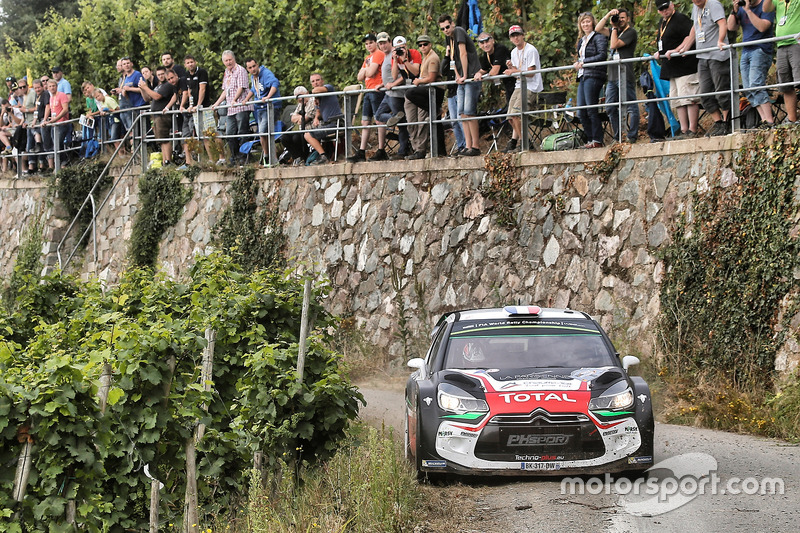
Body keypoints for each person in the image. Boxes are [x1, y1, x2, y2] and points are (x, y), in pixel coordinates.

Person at [676, 0, 731, 136]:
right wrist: (685, 47)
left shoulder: (713, 4)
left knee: (721, 91)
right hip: (702, 56)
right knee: (705, 94)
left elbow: (723, 23)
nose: (696, 1)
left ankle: (728, 122)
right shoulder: (695, 7)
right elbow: (695, 28)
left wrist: (721, 40)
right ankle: (718, 123)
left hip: (717, 54)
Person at [656, 0, 702, 137]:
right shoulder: (663, 22)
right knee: (677, 101)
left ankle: (692, 129)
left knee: (689, 98)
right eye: (661, 9)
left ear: (672, 5)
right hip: (671, 69)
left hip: (685, 66)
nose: (665, 11)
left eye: (666, 7)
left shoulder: (681, 18)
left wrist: (676, 50)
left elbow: (690, 36)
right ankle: (683, 129)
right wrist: (660, 52)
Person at [728, 0, 776, 128]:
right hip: (746, 50)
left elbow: (762, 27)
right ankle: (764, 120)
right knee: (748, 89)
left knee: (756, 84)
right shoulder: (742, 8)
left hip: (760, 49)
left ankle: (770, 121)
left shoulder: (765, 5)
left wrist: (748, 10)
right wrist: (735, 11)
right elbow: (731, 27)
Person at [439, 14, 482, 156]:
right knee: (462, 113)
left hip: (469, 77)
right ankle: (467, 146)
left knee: (469, 112)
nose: (446, 30)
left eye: (447, 26)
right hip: (461, 79)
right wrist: (457, 75)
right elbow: (453, 59)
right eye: (443, 28)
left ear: (451, 24)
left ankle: (475, 146)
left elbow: (463, 54)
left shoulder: (458, 31)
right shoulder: (449, 38)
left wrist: (464, 74)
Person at [596, 8, 640, 143]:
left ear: (627, 19)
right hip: (612, 76)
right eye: (618, 18)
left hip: (625, 74)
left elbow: (614, 44)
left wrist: (614, 28)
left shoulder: (630, 32)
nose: (620, 20)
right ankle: (618, 135)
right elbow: (597, 29)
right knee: (609, 107)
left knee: (631, 106)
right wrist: (609, 15)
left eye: (622, 18)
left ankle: (632, 135)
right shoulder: (615, 32)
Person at [403, 34, 444, 159]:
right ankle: (416, 148)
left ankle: (421, 149)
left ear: (430, 44)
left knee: (422, 120)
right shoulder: (424, 57)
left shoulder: (433, 58)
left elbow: (431, 78)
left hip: (432, 90)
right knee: (412, 121)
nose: (422, 47)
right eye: (420, 45)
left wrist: (419, 81)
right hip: (423, 89)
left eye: (425, 44)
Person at [503, 25, 543, 152]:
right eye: (513, 36)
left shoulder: (531, 50)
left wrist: (513, 70)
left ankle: (524, 142)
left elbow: (531, 72)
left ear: (523, 35)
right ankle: (519, 141)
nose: (516, 38)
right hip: (519, 85)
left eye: (518, 35)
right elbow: (517, 73)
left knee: (516, 115)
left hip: (531, 86)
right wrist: (512, 68)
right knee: (510, 117)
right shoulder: (513, 52)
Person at [348, 33, 387, 163]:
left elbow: (369, 73)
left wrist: (366, 70)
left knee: (379, 120)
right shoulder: (368, 58)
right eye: (366, 43)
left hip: (377, 90)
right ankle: (361, 151)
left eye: (371, 42)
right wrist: (366, 70)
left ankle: (381, 149)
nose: (368, 45)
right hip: (368, 91)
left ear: (376, 43)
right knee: (365, 122)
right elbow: (359, 77)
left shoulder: (378, 54)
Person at [211, 50, 253, 166]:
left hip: (241, 106)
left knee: (242, 131)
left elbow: (241, 87)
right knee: (229, 133)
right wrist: (217, 103)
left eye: (230, 60)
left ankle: (244, 157)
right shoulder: (226, 72)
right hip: (231, 108)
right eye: (226, 61)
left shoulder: (240, 70)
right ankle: (235, 157)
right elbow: (225, 90)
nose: (228, 62)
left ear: (234, 59)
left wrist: (235, 99)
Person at [574, 11, 608, 148]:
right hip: (583, 75)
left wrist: (584, 62)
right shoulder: (581, 41)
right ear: (580, 25)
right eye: (583, 22)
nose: (586, 24)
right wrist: (578, 63)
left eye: (588, 21)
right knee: (581, 110)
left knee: (591, 108)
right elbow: (580, 57)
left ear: (593, 22)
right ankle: (589, 139)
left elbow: (602, 55)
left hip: (594, 75)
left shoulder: (598, 37)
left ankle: (597, 139)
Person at [764, 0, 798, 123]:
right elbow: (765, 9)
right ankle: (792, 119)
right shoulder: (777, 1)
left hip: (797, 43)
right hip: (781, 45)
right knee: (785, 85)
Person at [180, 54, 217, 165]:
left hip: (204, 108)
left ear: (195, 62)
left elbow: (202, 89)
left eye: (192, 62)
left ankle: (220, 157)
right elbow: (189, 91)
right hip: (195, 110)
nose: (190, 64)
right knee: (202, 135)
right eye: (188, 63)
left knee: (212, 133)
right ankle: (211, 159)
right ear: (185, 65)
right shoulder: (187, 75)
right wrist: (190, 105)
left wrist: (199, 105)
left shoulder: (202, 72)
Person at [139, 68, 180, 166]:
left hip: (163, 115)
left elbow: (157, 96)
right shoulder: (159, 86)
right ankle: (164, 161)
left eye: (162, 74)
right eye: (159, 74)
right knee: (160, 140)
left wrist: (146, 88)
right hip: (155, 115)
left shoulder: (167, 85)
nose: (161, 76)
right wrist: (142, 88)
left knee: (164, 139)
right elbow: (147, 98)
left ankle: (168, 161)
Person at [245, 58, 281, 164]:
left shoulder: (266, 73)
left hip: (270, 106)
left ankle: (271, 157)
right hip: (259, 108)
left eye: (254, 66)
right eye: (250, 68)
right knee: (262, 133)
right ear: (248, 69)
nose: (253, 69)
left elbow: (275, 84)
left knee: (264, 131)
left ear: (258, 65)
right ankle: (267, 156)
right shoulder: (253, 77)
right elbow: (253, 89)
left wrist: (268, 97)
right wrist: (246, 99)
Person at [303, 72, 343, 166]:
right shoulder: (318, 98)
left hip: (336, 124)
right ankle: (320, 155)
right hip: (326, 124)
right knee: (306, 133)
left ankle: (323, 156)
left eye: (317, 80)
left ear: (322, 81)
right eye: (313, 81)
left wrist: (313, 93)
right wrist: (316, 118)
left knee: (307, 135)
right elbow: (318, 112)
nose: (315, 83)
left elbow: (316, 91)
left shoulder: (328, 88)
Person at [474, 32, 515, 109]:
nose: (485, 45)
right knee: (511, 112)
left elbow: (494, 72)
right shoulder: (486, 55)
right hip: (507, 83)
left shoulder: (500, 49)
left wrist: (486, 77)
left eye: (487, 41)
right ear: (479, 45)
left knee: (514, 111)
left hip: (516, 81)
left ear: (493, 40)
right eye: (482, 43)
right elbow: (483, 70)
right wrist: (478, 74)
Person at [280, 85, 316, 164]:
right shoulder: (301, 103)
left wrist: (299, 118)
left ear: (307, 93)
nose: (299, 99)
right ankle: (297, 157)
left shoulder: (312, 101)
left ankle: (304, 156)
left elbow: (305, 119)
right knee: (284, 138)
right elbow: (292, 118)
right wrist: (300, 118)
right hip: (302, 129)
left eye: (301, 96)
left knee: (296, 138)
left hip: (311, 129)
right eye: (297, 97)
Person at [41, 79, 72, 162]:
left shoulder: (62, 95)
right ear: (47, 88)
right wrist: (46, 119)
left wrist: (56, 119)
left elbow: (65, 109)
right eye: (50, 86)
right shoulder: (51, 98)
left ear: (57, 86)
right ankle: (61, 163)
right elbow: (51, 109)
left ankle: (64, 162)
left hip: (62, 123)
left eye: (53, 86)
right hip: (54, 124)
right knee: (55, 144)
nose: (52, 88)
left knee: (58, 143)